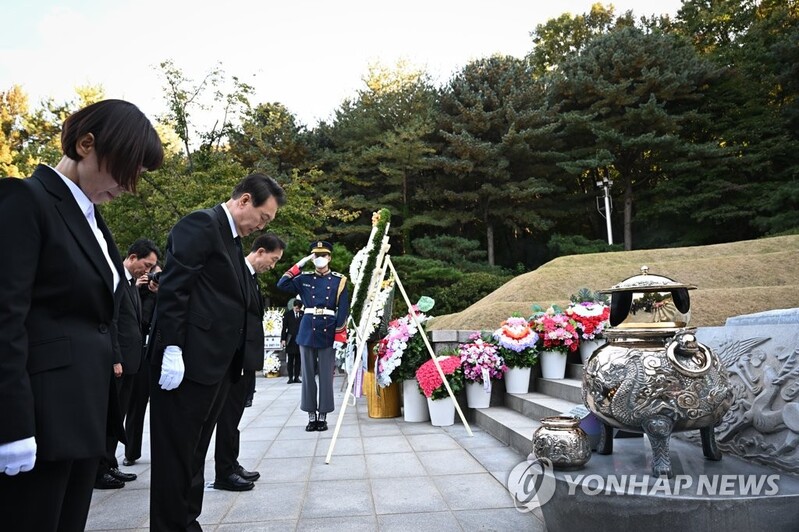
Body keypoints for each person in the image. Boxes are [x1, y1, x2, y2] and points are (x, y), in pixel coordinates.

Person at [0, 99, 163, 531]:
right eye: (126, 171)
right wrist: (11, 424)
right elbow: (5, 318)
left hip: (82, 416)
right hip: (40, 417)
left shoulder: (90, 218)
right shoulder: (25, 199)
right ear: (86, 143)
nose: (129, 187)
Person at [147, 173, 286, 531]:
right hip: (189, 362)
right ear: (243, 201)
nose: (261, 226)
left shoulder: (232, 239)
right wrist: (173, 347)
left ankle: (186, 521)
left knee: (194, 452)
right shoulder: (201, 225)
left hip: (215, 366)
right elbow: (176, 290)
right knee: (176, 454)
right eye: (262, 217)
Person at [213, 233, 285, 492]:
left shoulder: (251, 277)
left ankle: (232, 463)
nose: (273, 266)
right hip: (234, 360)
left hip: (245, 360)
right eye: (273, 259)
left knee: (235, 416)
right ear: (261, 251)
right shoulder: (235, 272)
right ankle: (224, 471)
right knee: (228, 416)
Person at [95, 238, 160, 489]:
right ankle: (100, 470)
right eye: (146, 264)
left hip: (133, 362)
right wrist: (116, 358)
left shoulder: (132, 284)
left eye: (152, 267)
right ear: (132, 257)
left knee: (118, 417)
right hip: (119, 363)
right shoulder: (117, 280)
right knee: (110, 418)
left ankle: (110, 464)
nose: (148, 271)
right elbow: (110, 321)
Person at [277, 241, 350, 432]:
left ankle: (323, 416)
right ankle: (311, 416)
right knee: (308, 375)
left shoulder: (338, 280)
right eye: (316, 255)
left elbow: (343, 309)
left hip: (328, 328)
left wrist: (339, 333)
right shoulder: (304, 278)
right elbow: (282, 284)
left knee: (326, 375)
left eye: (323, 255)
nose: (320, 258)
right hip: (308, 329)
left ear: (330, 257)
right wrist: (299, 265)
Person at [123, 263, 161, 467]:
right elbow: (138, 320)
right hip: (140, 352)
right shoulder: (134, 291)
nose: (151, 277)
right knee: (136, 405)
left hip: (160, 354)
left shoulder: (161, 293)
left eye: (156, 274)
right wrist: (136, 288)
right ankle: (131, 452)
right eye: (149, 273)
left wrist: (160, 292)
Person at [282, 299, 304, 383]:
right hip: (290, 339)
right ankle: (290, 377)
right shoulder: (288, 315)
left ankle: (297, 377)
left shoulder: (303, 314)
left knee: (298, 360)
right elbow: (284, 328)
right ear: (294, 306)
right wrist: (283, 339)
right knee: (290, 360)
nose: (297, 310)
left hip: (300, 339)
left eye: (299, 308)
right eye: (296, 308)